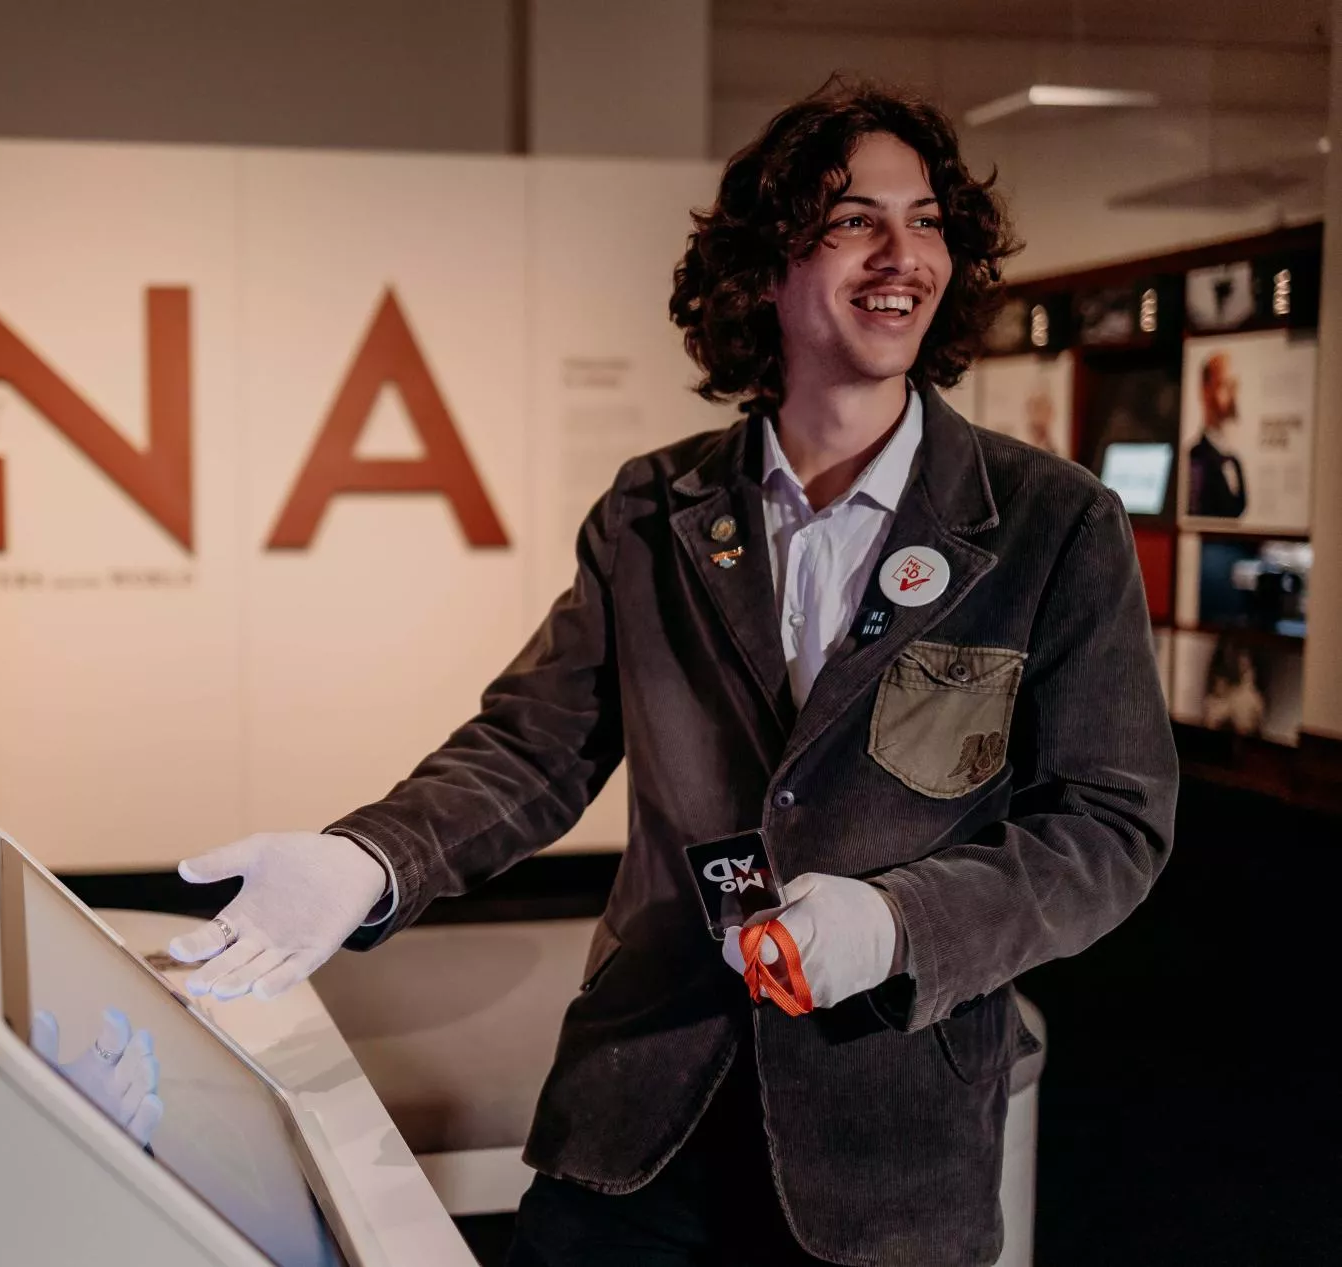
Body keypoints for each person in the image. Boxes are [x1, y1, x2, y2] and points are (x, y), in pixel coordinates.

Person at [167, 80, 1177, 1266]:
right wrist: (368, 857)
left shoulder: (1050, 525)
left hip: (884, 1151)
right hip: (638, 1122)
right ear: (764, 267)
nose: (903, 254)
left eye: (928, 222)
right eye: (855, 219)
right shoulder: (655, 507)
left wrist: (899, 923)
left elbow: (1111, 824)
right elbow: (534, 745)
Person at [1187, 352, 1247, 518]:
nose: (1232, 397)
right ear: (1205, 391)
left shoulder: (1234, 457)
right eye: (1223, 385)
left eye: (1233, 386)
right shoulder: (1196, 455)